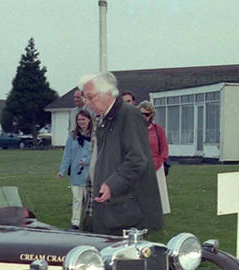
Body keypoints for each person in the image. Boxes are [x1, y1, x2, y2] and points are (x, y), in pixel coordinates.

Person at [79, 72, 162, 235]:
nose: (87, 104)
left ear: (108, 93)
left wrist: (112, 184)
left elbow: (137, 159)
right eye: (85, 99)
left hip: (125, 212)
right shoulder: (105, 119)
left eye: (90, 97)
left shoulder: (129, 115)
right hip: (110, 208)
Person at [57, 110, 93, 229]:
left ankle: (90, 222)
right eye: (79, 120)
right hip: (76, 174)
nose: (81, 122)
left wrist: (87, 161)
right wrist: (62, 171)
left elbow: (98, 154)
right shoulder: (72, 137)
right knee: (77, 199)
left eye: (84, 119)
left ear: (89, 120)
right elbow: (67, 156)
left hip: (90, 174)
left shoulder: (94, 136)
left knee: (90, 200)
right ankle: (75, 223)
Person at [139, 100, 171, 214]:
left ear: (151, 115)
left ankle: (158, 216)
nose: (143, 117)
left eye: (146, 114)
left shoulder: (158, 129)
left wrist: (160, 161)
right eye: (141, 114)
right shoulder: (134, 130)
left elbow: (164, 148)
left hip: (156, 165)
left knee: (159, 193)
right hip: (140, 166)